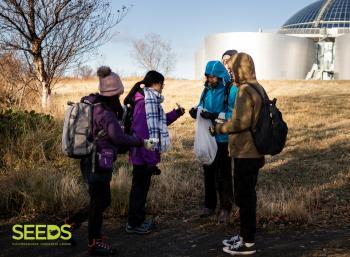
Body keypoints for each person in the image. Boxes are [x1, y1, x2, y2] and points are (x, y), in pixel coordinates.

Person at [64, 66, 154, 256]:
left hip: (90, 159)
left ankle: (71, 223)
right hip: (97, 162)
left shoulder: (94, 103)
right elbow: (119, 138)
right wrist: (140, 142)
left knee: (100, 200)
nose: (121, 97)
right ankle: (93, 242)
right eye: (119, 93)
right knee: (100, 201)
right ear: (114, 93)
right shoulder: (105, 113)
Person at [211, 53, 265, 255]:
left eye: (233, 69)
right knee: (247, 195)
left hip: (245, 152)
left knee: (244, 197)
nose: (231, 72)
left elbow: (240, 123)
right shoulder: (258, 87)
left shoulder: (244, 91)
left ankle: (248, 242)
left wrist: (219, 129)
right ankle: (244, 235)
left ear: (241, 69)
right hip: (255, 151)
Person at [124, 70, 185, 234]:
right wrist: (151, 161)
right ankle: (134, 224)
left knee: (141, 190)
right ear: (156, 83)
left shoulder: (149, 100)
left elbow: (159, 122)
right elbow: (145, 134)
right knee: (139, 191)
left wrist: (177, 113)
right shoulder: (145, 102)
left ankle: (138, 221)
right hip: (142, 155)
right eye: (162, 84)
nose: (162, 88)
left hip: (142, 154)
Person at [189, 61, 238, 224]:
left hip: (223, 138)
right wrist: (195, 111)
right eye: (208, 77)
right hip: (207, 137)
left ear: (220, 76)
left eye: (213, 77)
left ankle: (226, 208)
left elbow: (233, 115)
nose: (210, 80)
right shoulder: (206, 90)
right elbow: (201, 105)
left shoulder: (230, 90)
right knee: (208, 172)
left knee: (223, 175)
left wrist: (214, 115)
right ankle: (209, 206)